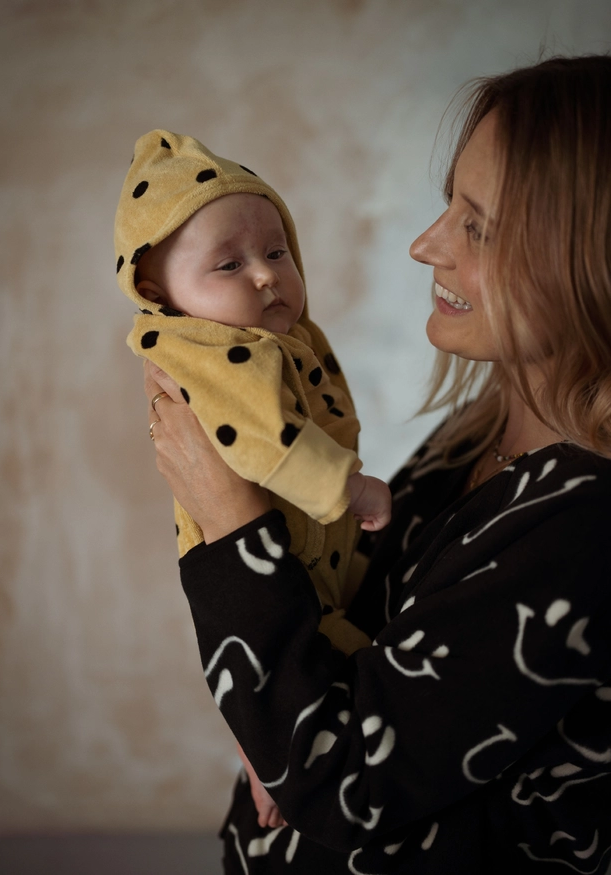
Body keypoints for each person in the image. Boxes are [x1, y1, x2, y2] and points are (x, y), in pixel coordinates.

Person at [141, 55, 611, 872]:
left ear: (590, 261)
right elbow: (342, 663)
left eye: (479, 227)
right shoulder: (481, 429)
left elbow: (346, 776)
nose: (426, 246)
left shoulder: (590, 523)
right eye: (447, 207)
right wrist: (273, 725)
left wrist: (228, 521)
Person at [114, 132, 390, 827]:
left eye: (276, 252)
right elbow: (265, 440)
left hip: (305, 554)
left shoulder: (272, 337)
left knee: (273, 667)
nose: (266, 275)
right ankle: (289, 772)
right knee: (342, 672)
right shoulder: (212, 351)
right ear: (156, 290)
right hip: (265, 561)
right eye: (229, 263)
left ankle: (270, 757)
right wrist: (350, 488)